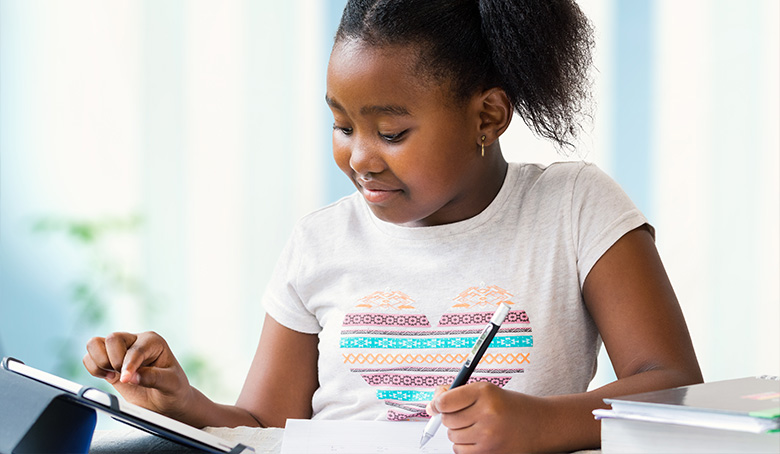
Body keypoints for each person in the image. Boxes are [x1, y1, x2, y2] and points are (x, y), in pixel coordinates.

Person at [83, 0, 703, 452]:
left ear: (487, 115)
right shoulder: (319, 243)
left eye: (392, 132)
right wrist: (183, 406)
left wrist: (541, 424)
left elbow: (674, 388)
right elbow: (267, 429)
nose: (360, 158)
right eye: (343, 126)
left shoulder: (573, 207)